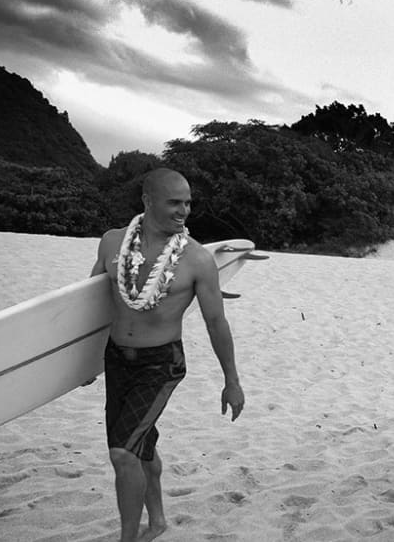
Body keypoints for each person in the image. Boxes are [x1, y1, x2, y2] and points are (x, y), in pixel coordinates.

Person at [89, 168, 245, 542]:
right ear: (147, 201)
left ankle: (127, 538)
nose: (184, 211)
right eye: (174, 202)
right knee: (140, 446)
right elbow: (89, 308)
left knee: (122, 454)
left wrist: (232, 382)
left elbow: (215, 323)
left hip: (161, 364)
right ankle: (156, 521)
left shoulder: (196, 260)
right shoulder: (112, 242)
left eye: (188, 203)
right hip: (116, 358)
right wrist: (84, 365)